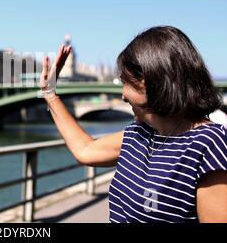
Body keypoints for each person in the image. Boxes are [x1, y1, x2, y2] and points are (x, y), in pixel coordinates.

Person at [40, 26, 227, 223]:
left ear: (149, 81)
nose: (122, 95)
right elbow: (85, 149)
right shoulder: (139, 134)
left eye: (125, 82)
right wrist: (49, 93)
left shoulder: (208, 146)